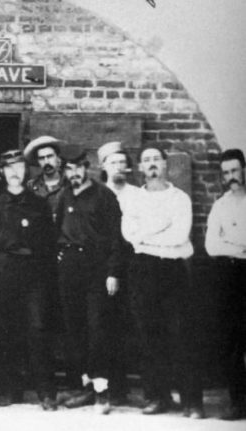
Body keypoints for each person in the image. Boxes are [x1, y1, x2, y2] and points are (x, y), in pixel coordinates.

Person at [122, 144, 204, 418]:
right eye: (147, 160)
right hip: (143, 270)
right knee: (148, 336)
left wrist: (146, 234)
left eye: (157, 158)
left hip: (173, 269)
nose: (153, 164)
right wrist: (159, 226)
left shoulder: (179, 198)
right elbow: (129, 234)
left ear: (166, 164)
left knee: (181, 335)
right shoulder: (133, 199)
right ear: (140, 168)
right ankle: (158, 397)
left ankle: (192, 401)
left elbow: (179, 235)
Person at [0, 149, 58, 411]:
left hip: (33, 273)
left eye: (18, 166)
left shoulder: (39, 204)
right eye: (8, 167)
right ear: (2, 172)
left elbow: (49, 244)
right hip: (4, 271)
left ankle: (46, 392)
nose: (14, 172)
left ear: (25, 170)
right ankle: (12, 390)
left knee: (37, 330)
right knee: (8, 330)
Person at [54, 144, 124, 415]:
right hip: (70, 269)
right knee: (75, 330)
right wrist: (60, 258)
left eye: (78, 168)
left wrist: (113, 271)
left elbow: (117, 237)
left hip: (97, 269)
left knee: (97, 330)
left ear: (86, 167)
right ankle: (85, 386)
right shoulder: (63, 196)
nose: (74, 173)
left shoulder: (104, 196)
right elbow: (57, 230)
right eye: (69, 169)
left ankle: (102, 392)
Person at [97, 141, 141, 405]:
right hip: (107, 268)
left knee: (133, 323)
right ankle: (114, 386)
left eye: (122, 162)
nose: (118, 167)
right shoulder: (98, 194)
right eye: (112, 162)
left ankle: (144, 386)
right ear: (103, 166)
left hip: (135, 263)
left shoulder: (137, 194)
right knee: (107, 325)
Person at [205, 148, 246, 420]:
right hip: (231, 277)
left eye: (235, 170)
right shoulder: (220, 205)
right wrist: (240, 247)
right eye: (226, 173)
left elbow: (223, 243)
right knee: (233, 342)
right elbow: (211, 245)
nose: (231, 177)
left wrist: (229, 244)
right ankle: (239, 402)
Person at [24, 136, 69, 221]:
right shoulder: (31, 187)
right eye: (42, 158)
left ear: (58, 158)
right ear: (38, 161)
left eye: (50, 156)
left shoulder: (68, 184)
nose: (46, 162)